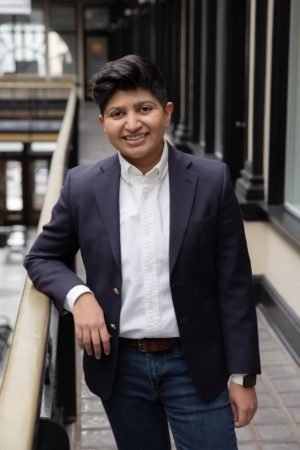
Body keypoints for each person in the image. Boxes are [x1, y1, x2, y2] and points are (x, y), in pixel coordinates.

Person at [24, 54, 261, 450]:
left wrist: (243, 377)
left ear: (166, 113)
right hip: (121, 369)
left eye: (144, 109)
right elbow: (42, 257)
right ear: (103, 124)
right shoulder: (82, 186)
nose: (132, 124)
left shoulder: (211, 180)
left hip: (195, 365)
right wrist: (79, 297)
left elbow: (234, 284)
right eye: (118, 113)